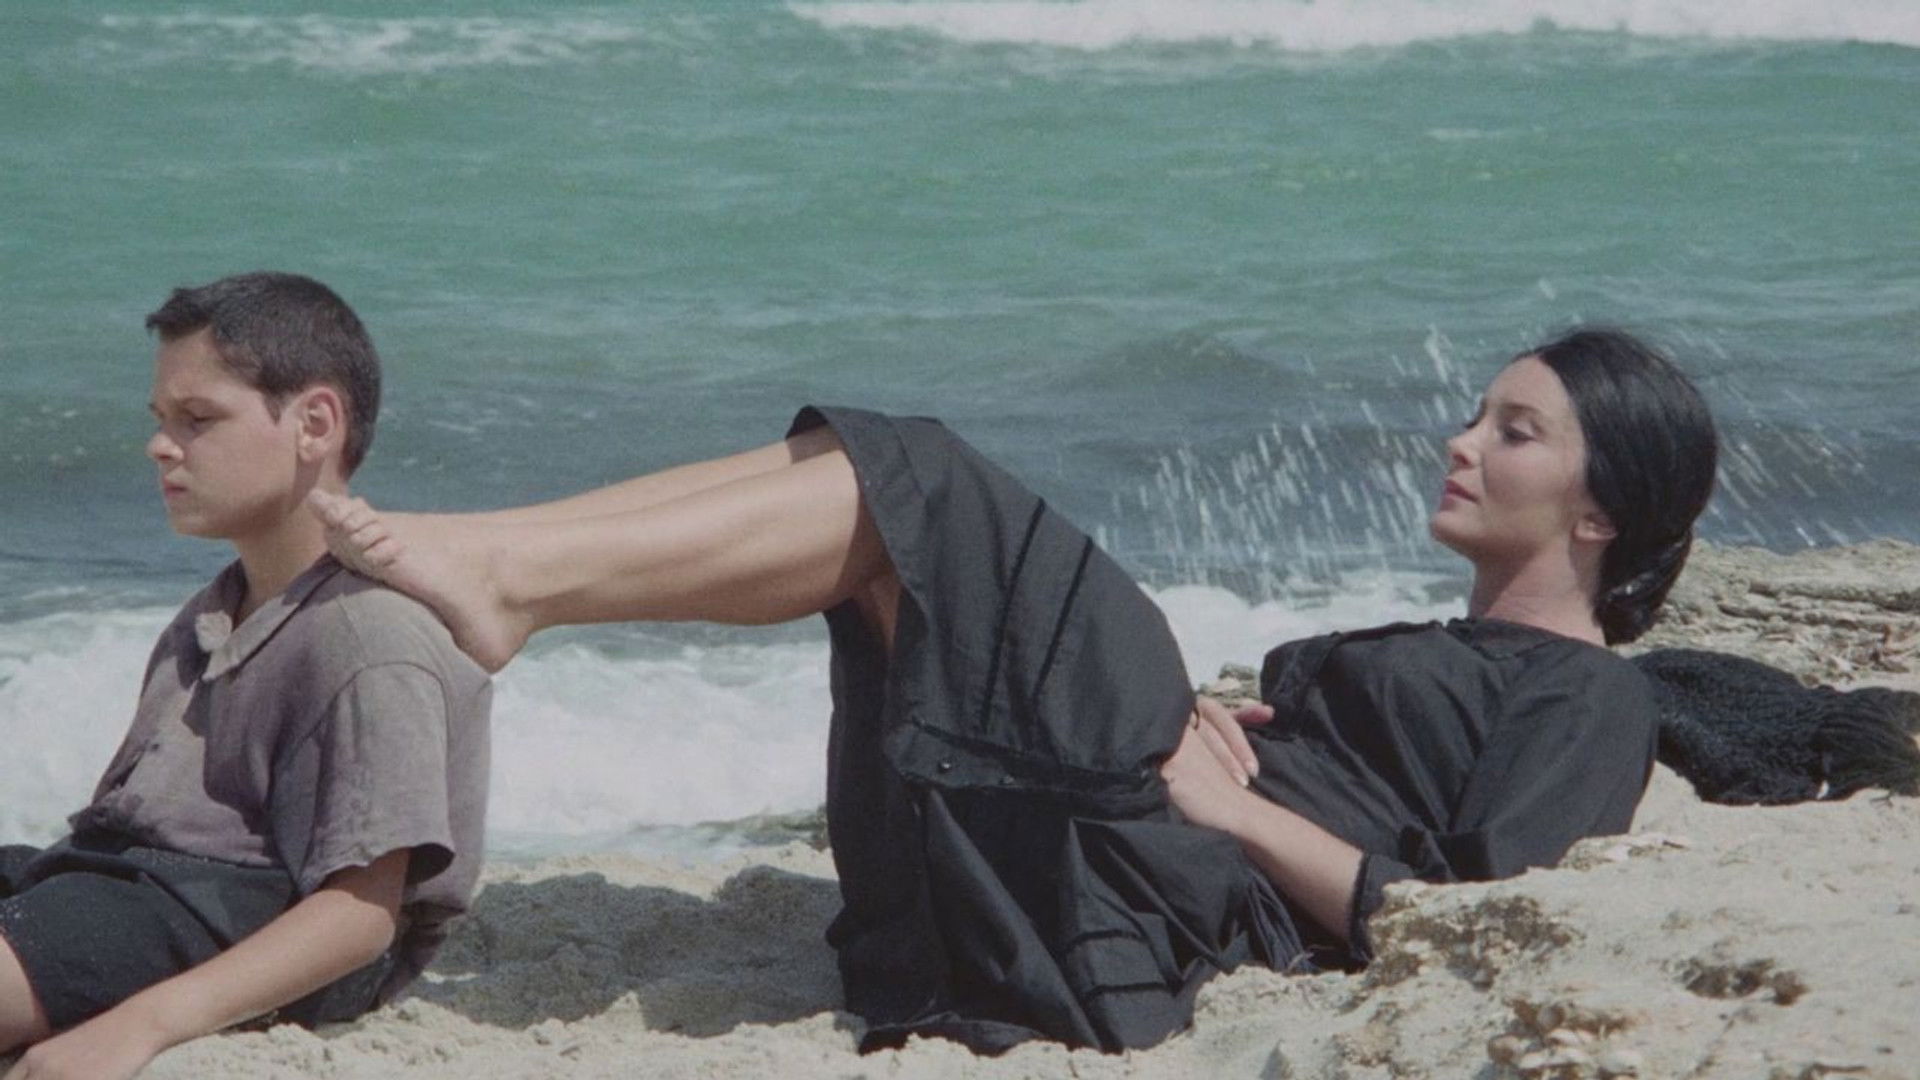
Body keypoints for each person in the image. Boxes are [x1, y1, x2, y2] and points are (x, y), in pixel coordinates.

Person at [309, 328, 1718, 1053]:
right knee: (874, 493)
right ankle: (503, 559)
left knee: (919, 481)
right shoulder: (1422, 645)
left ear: (1602, 511)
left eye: (1514, 432)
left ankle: (509, 580)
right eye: (1475, 415)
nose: (1463, 442)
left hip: (1156, 909)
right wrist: (1216, 732)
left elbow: (1477, 922)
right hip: (1112, 855)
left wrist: (1233, 811)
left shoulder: (1594, 699)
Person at [0, 273, 492, 1080]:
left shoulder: (370, 634)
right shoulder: (212, 612)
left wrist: (141, 1025)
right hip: (135, 888)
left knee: (88, 913)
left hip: (241, 917)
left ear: (314, 425)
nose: (162, 446)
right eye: (160, 420)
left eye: (198, 420)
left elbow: (361, 915)